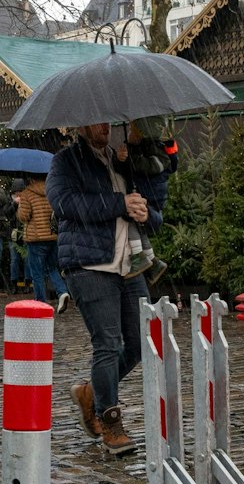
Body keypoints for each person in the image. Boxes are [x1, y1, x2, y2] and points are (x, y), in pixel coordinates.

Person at [48, 122, 168, 457]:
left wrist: (145, 212)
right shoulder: (67, 161)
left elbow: (156, 208)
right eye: (97, 121)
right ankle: (111, 422)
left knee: (141, 343)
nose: (104, 127)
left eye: (107, 121)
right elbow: (64, 204)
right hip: (89, 265)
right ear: (82, 125)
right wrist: (119, 203)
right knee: (109, 344)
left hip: (132, 263)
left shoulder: (123, 160)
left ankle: (91, 393)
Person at [14, 173, 68, 308]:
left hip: (35, 239)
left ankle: (41, 303)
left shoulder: (27, 193)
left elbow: (24, 216)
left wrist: (19, 206)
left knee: (37, 273)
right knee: (52, 268)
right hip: (52, 236)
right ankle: (62, 291)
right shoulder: (52, 191)